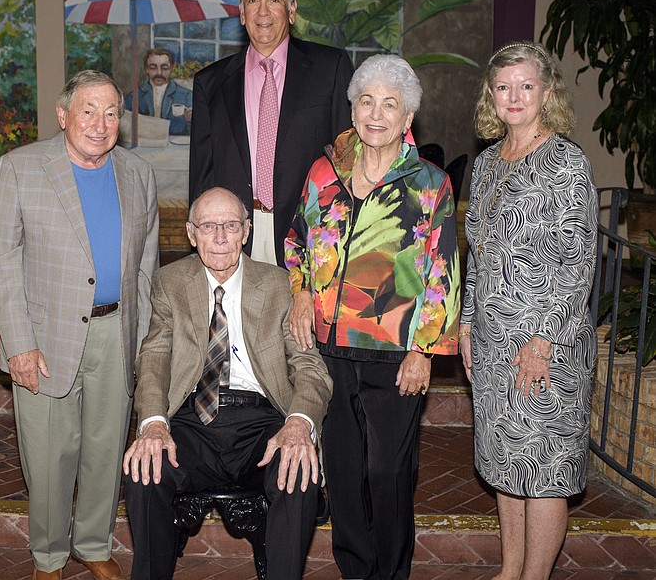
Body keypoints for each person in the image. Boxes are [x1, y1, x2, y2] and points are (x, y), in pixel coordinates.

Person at [285, 55, 461, 580]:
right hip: (329, 347)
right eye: (367, 101)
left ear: (408, 117)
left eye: (390, 104)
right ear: (353, 110)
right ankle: (356, 572)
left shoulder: (429, 183)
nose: (376, 113)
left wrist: (424, 350)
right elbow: (297, 239)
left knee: (388, 473)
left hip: (395, 352)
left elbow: (442, 271)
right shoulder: (325, 171)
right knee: (342, 472)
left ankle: (391, 573)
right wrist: (300, 291)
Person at [0, 70, 159, 580]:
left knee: (106, 449)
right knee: (48, 455)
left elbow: (146, 265)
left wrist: (141, 338)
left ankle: (93, 544)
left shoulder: (137, 173)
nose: (100, 124)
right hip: (45, 339)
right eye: (88, 111)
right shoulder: (19, 168)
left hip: (116, 331)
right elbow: (1, 260)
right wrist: (18, 343)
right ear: (63, 115)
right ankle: (48, 556)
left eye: (111, 113)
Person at [123, 187, 333, 580]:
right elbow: (154, 358)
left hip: (260, 421)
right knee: (144, 471)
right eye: (208, 226)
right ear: (191, 233)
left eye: (231, 226)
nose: (220, 237)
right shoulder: (170, 281)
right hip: (192, 422)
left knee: (297, 470)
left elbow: (309, 367)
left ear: (246, 231)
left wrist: (298, 424)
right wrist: (152, 423)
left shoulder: (278, 284)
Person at [461, 41, 598, 580]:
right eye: (503, 87)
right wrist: (466, 324)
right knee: (506, 461)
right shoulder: (488, 162)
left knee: (542, 469)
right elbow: (477, 253)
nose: (513, 96)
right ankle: (509, 570)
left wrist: (542, 342)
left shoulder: (566, 162)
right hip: (493, 343)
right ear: (491, 96)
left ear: (546, 92)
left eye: (525, 85)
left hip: (545, 346)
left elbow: (577, 264)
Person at [189, 0, 353, 266]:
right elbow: (202, 177)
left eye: (274, 0)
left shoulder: (330, 69)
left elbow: (347, 160)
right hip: (234, 236)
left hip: (310, 233)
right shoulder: (210, 83)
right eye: (253, 1)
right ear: (242, 13)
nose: (262, 12)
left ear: (291, 10)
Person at [125, 47, 193, 135]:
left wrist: (190, 121)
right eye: (153, 68)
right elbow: (126, 128)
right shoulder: (134, 96)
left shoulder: (186, 95)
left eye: (164, 68)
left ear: (171, 68)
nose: (159, 73)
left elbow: (194, 133)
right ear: (147, 69)